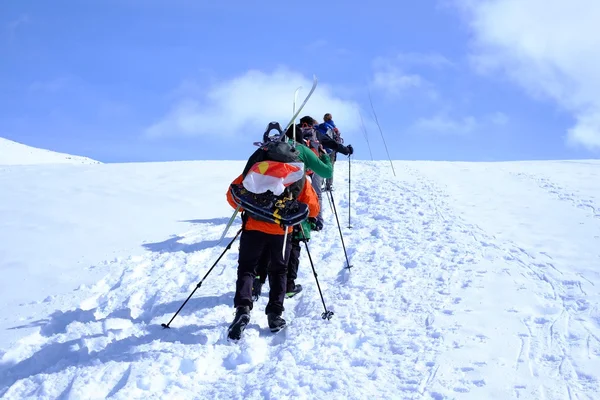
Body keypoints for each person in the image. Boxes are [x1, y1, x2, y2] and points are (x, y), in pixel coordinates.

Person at [226, 152, 320, 340]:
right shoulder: (296, 172)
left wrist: (252, 208)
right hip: (281, 231)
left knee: (247, 268)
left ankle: (242, 309)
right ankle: (274, 315)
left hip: (253, 226)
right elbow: (313, 208)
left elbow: (232, 196)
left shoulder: (258, 167)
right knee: (279, 271)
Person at [252, 122, 334, 299]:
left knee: (267, 237)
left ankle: (256, 280)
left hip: (267, 203)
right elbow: (326, 172)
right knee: (294, 242)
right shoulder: (302, 150)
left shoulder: (271, 149)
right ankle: (288, 285)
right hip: (294, 203)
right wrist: (325, 156)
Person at [316, 113, 344, 191]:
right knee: (330, 167)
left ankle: (319, 184)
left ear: (324, 118)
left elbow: (317, 132)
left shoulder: (323, 126)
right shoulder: (335, 128)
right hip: (333, 150)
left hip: (324, 149)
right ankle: (329, 185)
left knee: (322, 165)